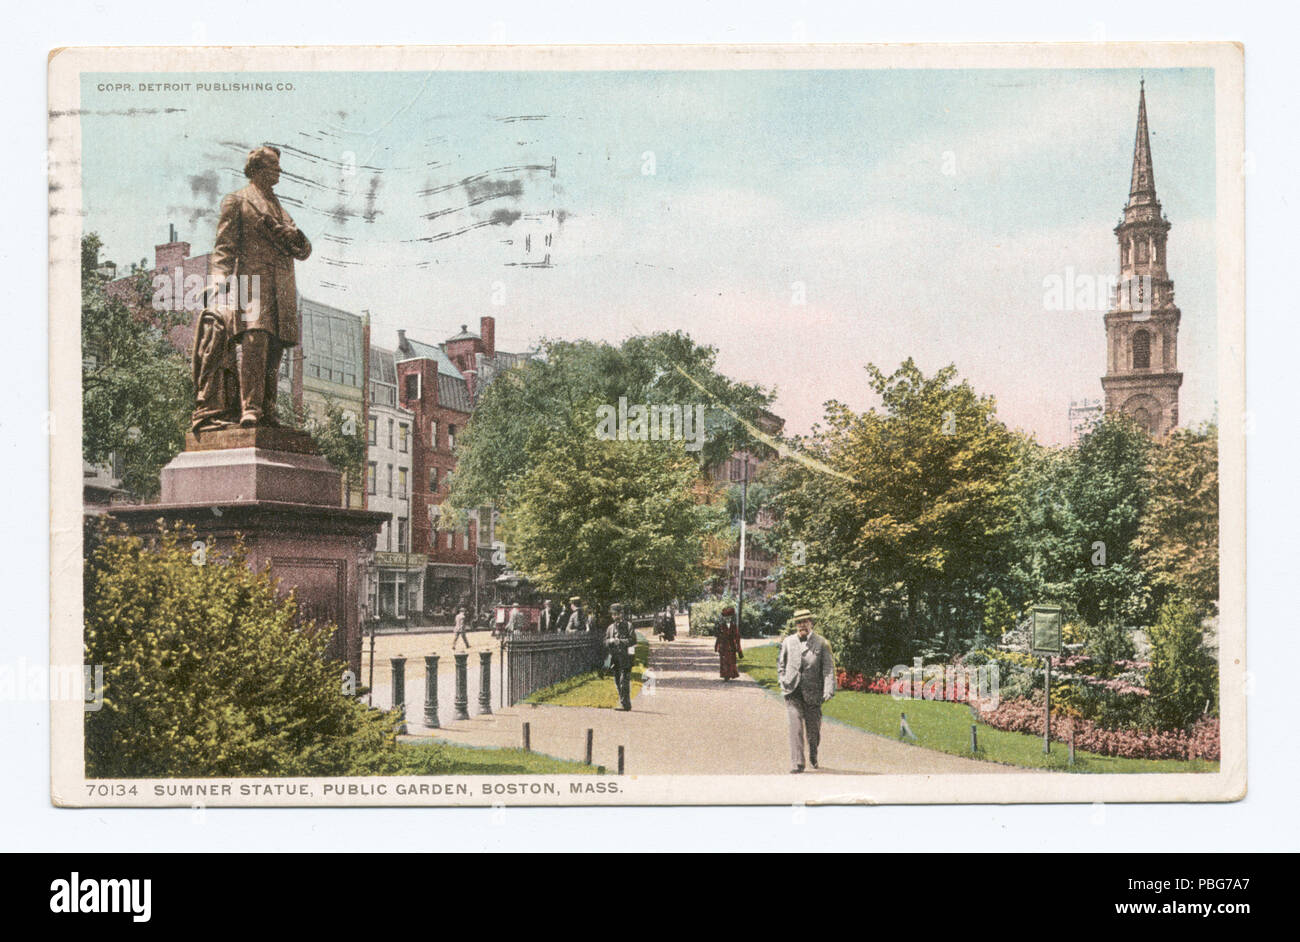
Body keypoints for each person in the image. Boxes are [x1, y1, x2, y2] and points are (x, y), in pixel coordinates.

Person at [195, 144, 312, 431]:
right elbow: (224, 247)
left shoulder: (282, 211)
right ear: (257, 169)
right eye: (274, 166)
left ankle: (269, 411)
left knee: (276, 348)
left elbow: (304, 251)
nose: (279, 171)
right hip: (253, 284)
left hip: (282, 287)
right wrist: (217, 283)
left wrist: (295, 234)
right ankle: (251, 409)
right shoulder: (238, 201)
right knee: (254, 341)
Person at [777, 609, 836, 773]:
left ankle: (813, 753)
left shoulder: (822, 643)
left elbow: (829, 669)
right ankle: (797, 763)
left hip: (813, 692)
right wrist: (782, 680)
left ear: (811, 623)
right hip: (792, 690)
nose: (801, 625)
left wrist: (828, 689)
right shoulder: (788, 642)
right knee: (795, 727)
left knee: (813, 731)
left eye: (805, 621)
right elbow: (781, 664)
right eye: (798, 622)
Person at [605, 604, 638, 711]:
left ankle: (625, 704)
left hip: (626, 658)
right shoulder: (610, 628)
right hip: (615, 659)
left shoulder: (628, 626)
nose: (615, 617)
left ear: (621, 614)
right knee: (617, 681)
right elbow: (604, 641)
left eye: (617, 614)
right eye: (613, 615)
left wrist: (620, 641)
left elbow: (633, 640)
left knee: (624, 681)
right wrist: (609, 641)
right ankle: (624, 703)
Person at [715, 605, 741, 680]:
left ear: (731, 617)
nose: (727, 619)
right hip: (723, 645)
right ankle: (725, 674)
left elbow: (737, 636)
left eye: (729, 617)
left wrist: (738, 647)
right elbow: (718, 636)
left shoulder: (734, 626)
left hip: (731, 645)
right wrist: (716, 646)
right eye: (726, 617)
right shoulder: (721, 626)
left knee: (731, 660)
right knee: (724, 660)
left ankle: (731, 673)